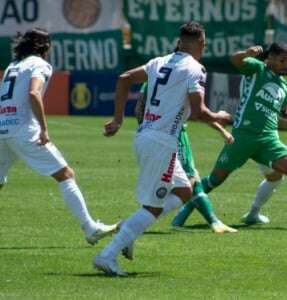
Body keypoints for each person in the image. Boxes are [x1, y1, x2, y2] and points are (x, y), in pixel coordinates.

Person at [94, 21, 232, 276]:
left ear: (180, 42)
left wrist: (117, 119)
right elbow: (199, 112)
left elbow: (124, 78)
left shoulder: (159, 61)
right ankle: (107, 255)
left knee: (184, 190)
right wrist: (221, 116)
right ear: (202, 44)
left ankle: (129, 227)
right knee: (153, 207)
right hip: (161, 143)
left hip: (147, 136)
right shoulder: (195, 69)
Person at [0, 28, 118, 245]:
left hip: (2, 128)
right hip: (23, 130)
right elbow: (34, 93)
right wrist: (44, 129)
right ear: (44, 46)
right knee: (65, 173)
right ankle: (90, 228)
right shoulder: (40, 64)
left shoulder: (12, 66)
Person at [197, 42, 287, 230]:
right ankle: (183, 212)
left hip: (268, 139)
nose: (286, 65)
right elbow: (235, 59)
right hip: (243, 136)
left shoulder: (285, 85)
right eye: (282, 60)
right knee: (215, 179)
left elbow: (283, 111)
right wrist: (247, 53)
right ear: (270, 58)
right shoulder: (257, 69)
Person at [135, 82, 237, 234]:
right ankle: (137, 222)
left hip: (148, 135)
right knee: (190, 179)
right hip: (175, 135)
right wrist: (222, 129)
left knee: (187, 180)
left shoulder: (151, 78)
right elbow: (200, 113)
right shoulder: (183, 79)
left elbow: (138, 109)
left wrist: (149, 128)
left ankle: (193, 220)